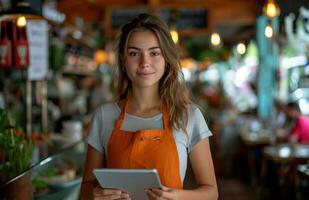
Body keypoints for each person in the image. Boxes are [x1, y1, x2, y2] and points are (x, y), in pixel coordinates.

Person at [80, 13, 218, 200]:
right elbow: (86, 189)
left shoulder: (189, 116)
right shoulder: (104, 116)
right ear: (122, 60)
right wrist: (94, 195)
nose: (145, 63)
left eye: (154, 53)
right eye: (134, 53)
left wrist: (177, 197)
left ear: (166, 60)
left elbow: (211, 192)